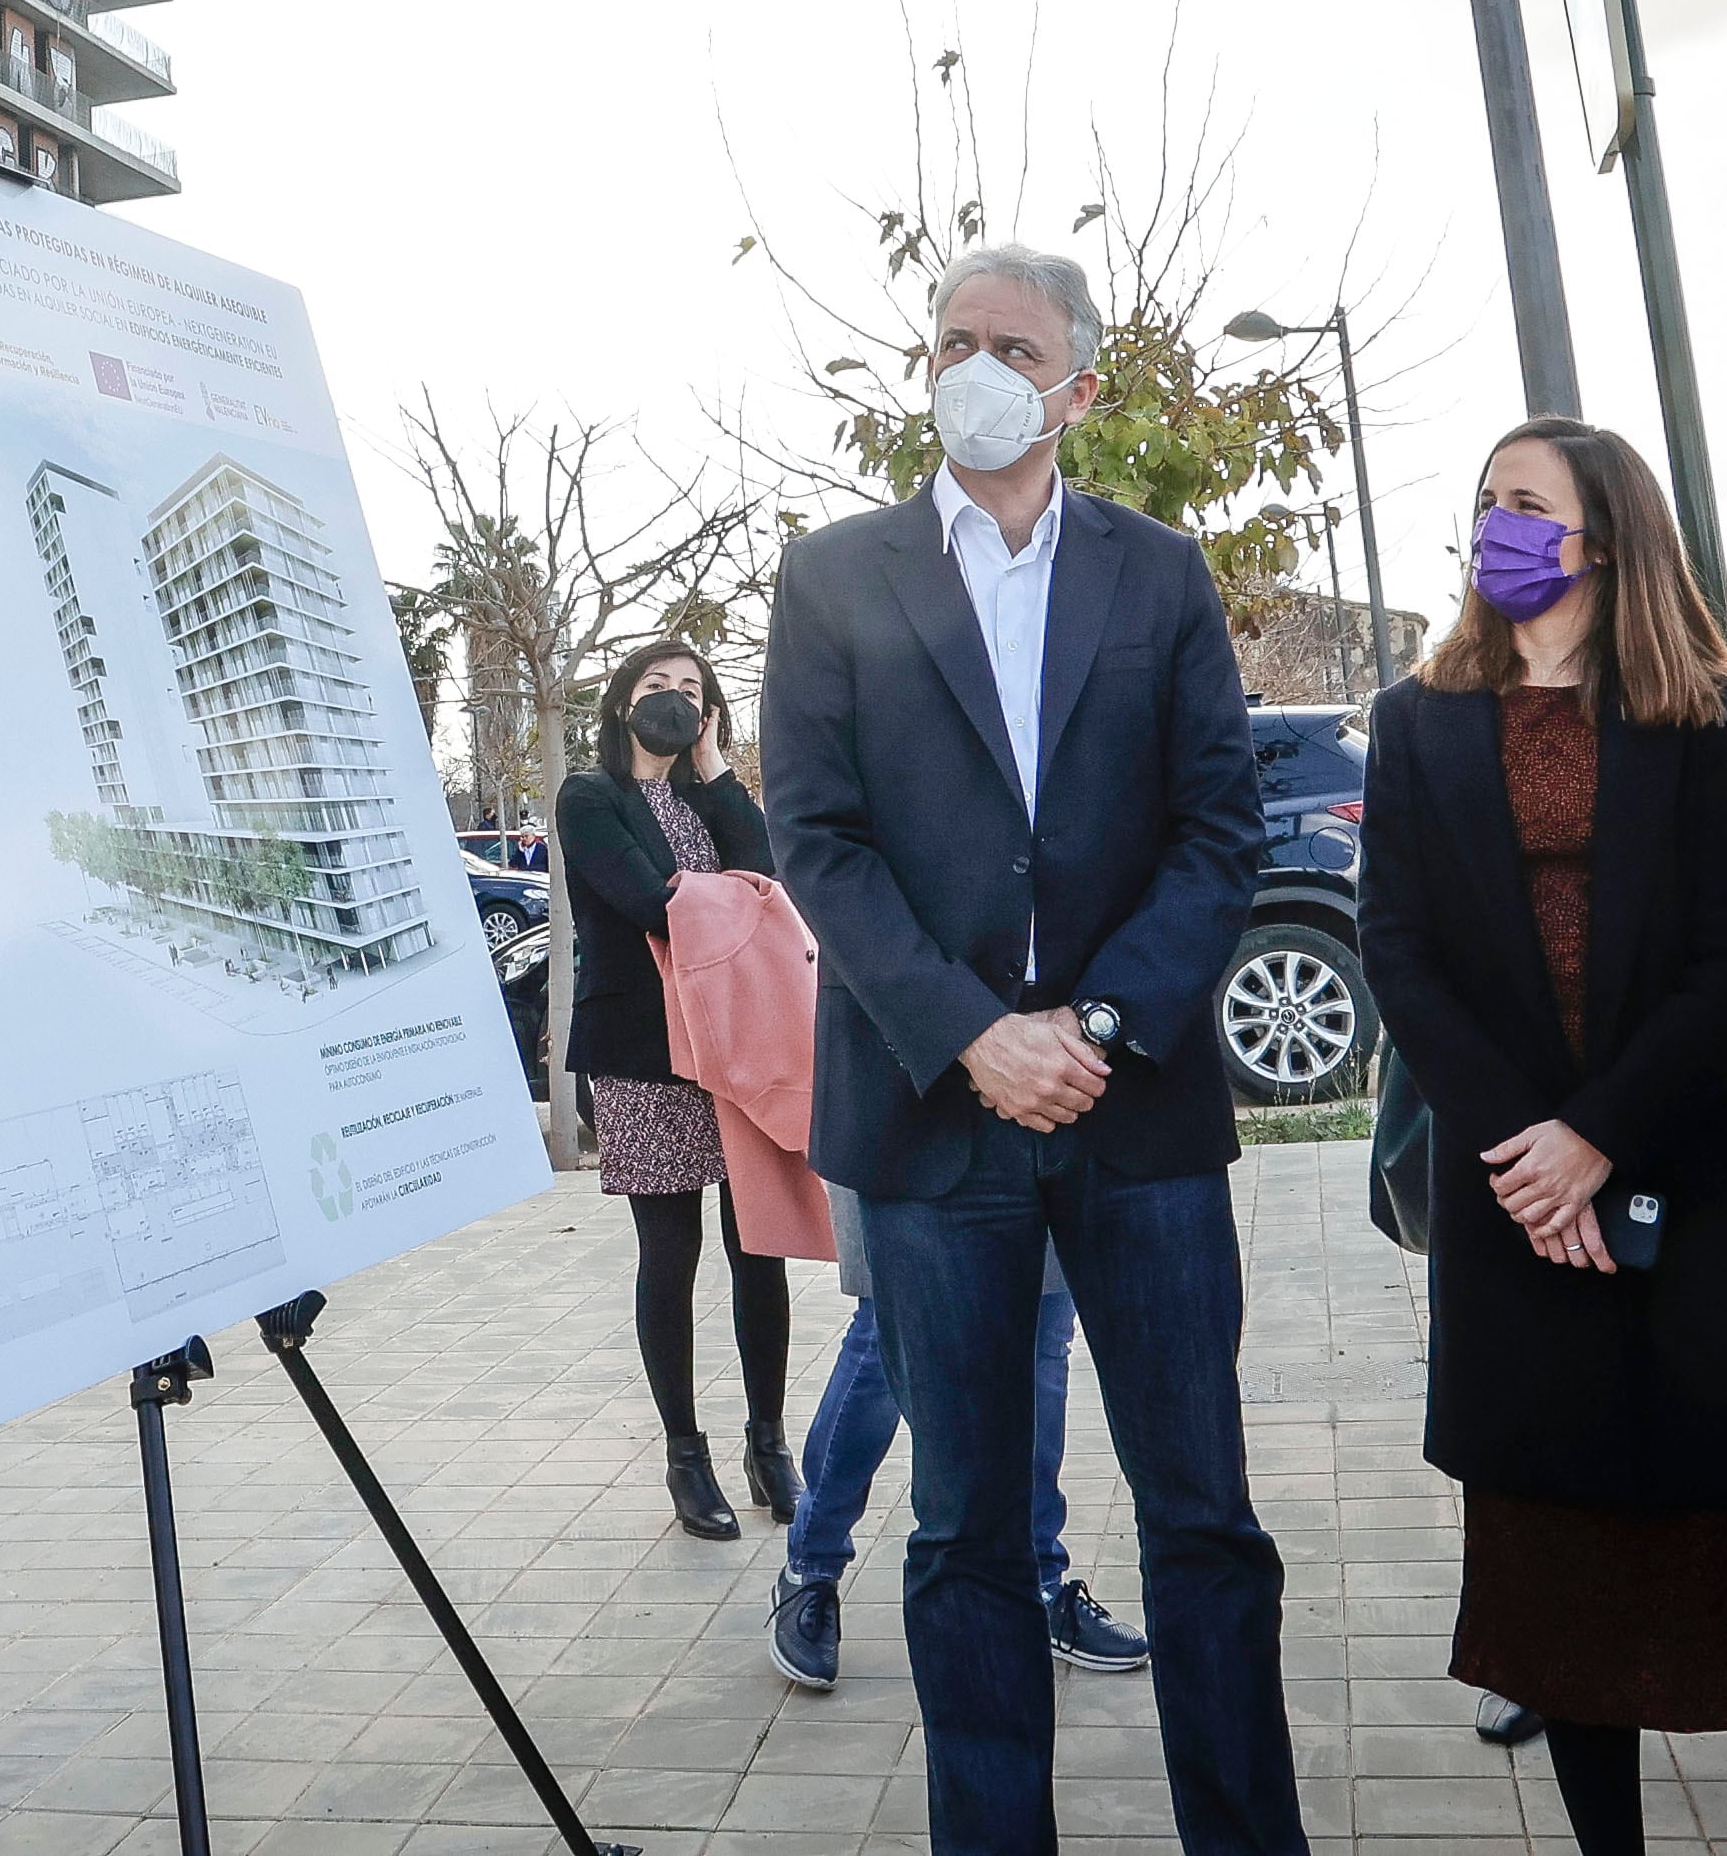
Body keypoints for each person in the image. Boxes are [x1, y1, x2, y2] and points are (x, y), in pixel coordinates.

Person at [766, 241, 1300, 1856]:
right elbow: (817, 839)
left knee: (1199, 1517)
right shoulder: (833, 575)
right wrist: (971, 1036)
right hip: (934, 1127)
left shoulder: (1158, 572)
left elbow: (1219, 831)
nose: (970, 367)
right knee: (963, 1534)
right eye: (948, 341)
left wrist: (1103, 1021)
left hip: (1133, 1120)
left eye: (1008, 342)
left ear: (1080, 380)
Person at [1360, 416, 1727, 1856]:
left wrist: (1596, 1133)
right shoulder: (1416, 715)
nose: (1491, 527)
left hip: (1690, 1174)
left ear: (1601, 532)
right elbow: (1395, 952)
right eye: (1481, 503)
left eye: (1521, 503)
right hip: (1509, 1193)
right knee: (1561, 1564)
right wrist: (1525, 1149)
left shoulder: (1706, 707)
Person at [554, 639, 796, 1540]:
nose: (673, 698)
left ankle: (768, 1443)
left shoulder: (709, 796)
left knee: (755, 1244)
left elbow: (768, 875)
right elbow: (647, 899)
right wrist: (731, 897)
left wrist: (719, 769)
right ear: (622, 702)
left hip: (735, 1043)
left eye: (691, 690)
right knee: (672, 1250)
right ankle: (684, 1453)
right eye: (656, 685)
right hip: (644, 1048)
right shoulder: (589, 796)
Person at [769, 1227, 1145, 1688]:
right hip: (898, 1161)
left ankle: (1038, 1579)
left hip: (1044, 1158)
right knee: (886, 1333)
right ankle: (811, 1563)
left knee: (1042, 1338)